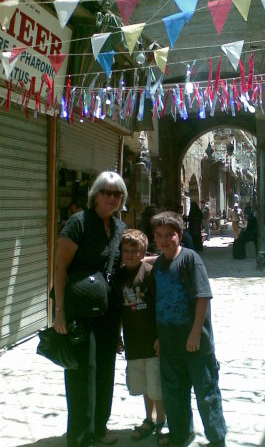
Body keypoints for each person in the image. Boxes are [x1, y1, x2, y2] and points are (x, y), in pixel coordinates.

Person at [53, 171, 128, 447]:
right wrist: (59, 310)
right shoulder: (78, 223)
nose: (111, 197)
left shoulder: (120, 227)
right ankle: (79, 434)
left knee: (105, 368)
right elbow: (60, 268)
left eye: (116, 193)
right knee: (81, 371)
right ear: (95, 195)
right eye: (106, 192)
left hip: (108, 312)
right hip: (80, 311)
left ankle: (99, 427)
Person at [150, 211, 227, 447]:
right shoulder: (159, 265)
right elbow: (157, 302)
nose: (164, 240)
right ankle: (180, 434)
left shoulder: (190, 259)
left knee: (206, 392)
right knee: (174, 393)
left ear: (180, 235)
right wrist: (158, 337)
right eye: (159, 235)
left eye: (169, 235)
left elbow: (203, 297)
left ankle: (216, 438)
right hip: (169, 341)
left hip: (196, 342)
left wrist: (195, 333)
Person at [115, 229, 168, 445]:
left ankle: (162, 420)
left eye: (134, 251)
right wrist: (118, 335)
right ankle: (150, 417)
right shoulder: (118, 277)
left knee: (156, 384)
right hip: (133, 341)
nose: (129, 255)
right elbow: (119, 309)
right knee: (144, 385)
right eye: (125, 251)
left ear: (143, 252)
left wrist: (161, 336)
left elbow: (160, 306)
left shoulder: (150, 273)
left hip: (152, 340)